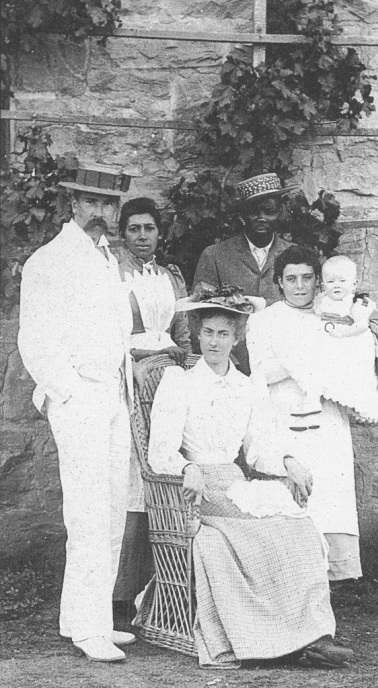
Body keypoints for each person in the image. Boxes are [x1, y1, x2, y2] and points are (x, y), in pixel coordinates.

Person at [143, 287, 354, 669]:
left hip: (235, 484)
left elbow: (257, 450)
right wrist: (187, 467)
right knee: (256, 534)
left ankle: (312, 634)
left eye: (223, 334)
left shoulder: (247, 386)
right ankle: (275, 639)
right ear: (196, 333)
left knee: (299, 528)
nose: (214, 341)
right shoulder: (180, 382)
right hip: (199, 489)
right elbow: (160, 451)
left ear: (237, 338)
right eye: (207, 332)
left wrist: (289, 460)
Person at [18, 165, 136, 663]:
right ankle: (91, 628)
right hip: (79, 396)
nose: (101, 214)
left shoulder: (106, 258)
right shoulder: (49, 260)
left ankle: (83, 617)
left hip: (111, 393)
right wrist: (66, 392)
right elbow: (36, 340)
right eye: (92, 203)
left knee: (109, 511)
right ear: (73, 205)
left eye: (109, 205)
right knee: (88, 512)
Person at [247, 245, 367, 582]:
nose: (299, 286)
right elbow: (262, 371)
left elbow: (346, 361)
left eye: (307, 278)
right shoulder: (263, 321)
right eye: (291, 279)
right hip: (284, 413)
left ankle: (331, 579)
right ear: (279, 283)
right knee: (296, 494)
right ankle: (295, 580)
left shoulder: (330, 314)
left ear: (317, 281)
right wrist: (305, 359)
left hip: (326, 416)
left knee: (329, 493)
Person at [112, 197, 192, 601]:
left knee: (164, 471)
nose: (142, 236)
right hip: (128, 377)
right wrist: (135, 362)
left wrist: (185, 368)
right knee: (130, 476)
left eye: (149, 229)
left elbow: (182, 336)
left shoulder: (171, 276)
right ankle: (120, 592)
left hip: (167, 379)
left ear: (160, 233)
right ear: (122, 233)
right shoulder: (112, 273)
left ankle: (162, 586)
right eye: (134, 229)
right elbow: (108, 333)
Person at [192, 173, 294, 373]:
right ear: (242, 214)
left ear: (281, 211)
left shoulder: (294, 257)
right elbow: (198, 318)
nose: (262, 218)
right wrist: (226, 362)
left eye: (270, 210)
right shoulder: (215, 255)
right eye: (254, 211)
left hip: (283, 366)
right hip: (230, 367)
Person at [315, 254, 378, 423]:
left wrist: (342, 334)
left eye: (342, 281)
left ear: (354, 284)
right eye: (331, 281)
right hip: (332, 338)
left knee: (353, 369)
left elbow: (361, 326)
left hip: (353, 340)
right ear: (322, 285)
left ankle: (356, 402)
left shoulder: (356, 304)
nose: (337, 286)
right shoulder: (322, 300)